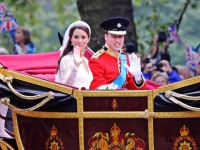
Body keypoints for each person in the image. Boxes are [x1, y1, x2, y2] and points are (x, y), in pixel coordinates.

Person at [89, 17, 146, 90]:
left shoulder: (125, 58)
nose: (118, 40)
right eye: (114, 36)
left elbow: (136, 91)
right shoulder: (96, 60)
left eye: (120, 36)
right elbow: (97, 92)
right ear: (106, 36)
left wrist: (138, 80)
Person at [55, 21, 93, 89]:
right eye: (76, 37)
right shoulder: (66, 59)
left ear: (88, 39)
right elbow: (66, 86)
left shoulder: (86, 60)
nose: (79, 41)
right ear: (71, 39)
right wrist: (76, 66)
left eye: (83, 37)